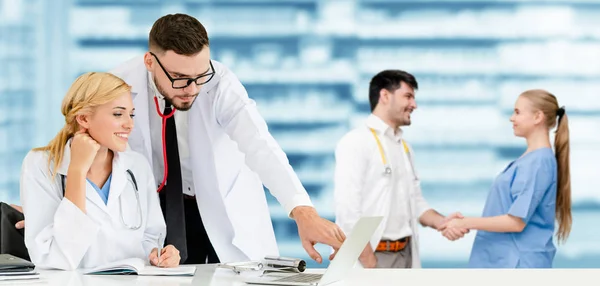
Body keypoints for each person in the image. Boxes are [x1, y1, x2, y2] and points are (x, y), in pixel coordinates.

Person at [106, 13, 345, 264]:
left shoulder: (220, 83)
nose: (192, 89)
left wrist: (302, 211)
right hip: (155, 208)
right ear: (149, 62)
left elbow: (259, 144)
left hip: (218, 205)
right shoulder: (116, 84)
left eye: (200, 76)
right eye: (179, 78)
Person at [20, 72, 180, 270]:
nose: (129, 124)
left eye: (131, 114)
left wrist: (161, 256)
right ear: (84, 118)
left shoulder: (137, 166)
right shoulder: (40, 165)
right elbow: (52, 258)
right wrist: (77, 170)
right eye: (118, 114)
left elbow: (150, 238)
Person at [333, 70, 468, 269]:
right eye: (408, 96)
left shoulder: (403, 147)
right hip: (371, 257)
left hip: (405, 254)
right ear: (385, 96)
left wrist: (442, 222)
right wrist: (368, 259)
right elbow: (347, 209)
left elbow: (415, 201)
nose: (414, 105)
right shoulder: (356, 141)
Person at [441, 89, 571, 268]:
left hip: (515, 263)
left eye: (517, 112)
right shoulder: (530, 160)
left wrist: (465, 222)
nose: (512, 118)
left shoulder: (539, 162)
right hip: (505, 260)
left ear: (537, 117)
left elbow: (516, 222)